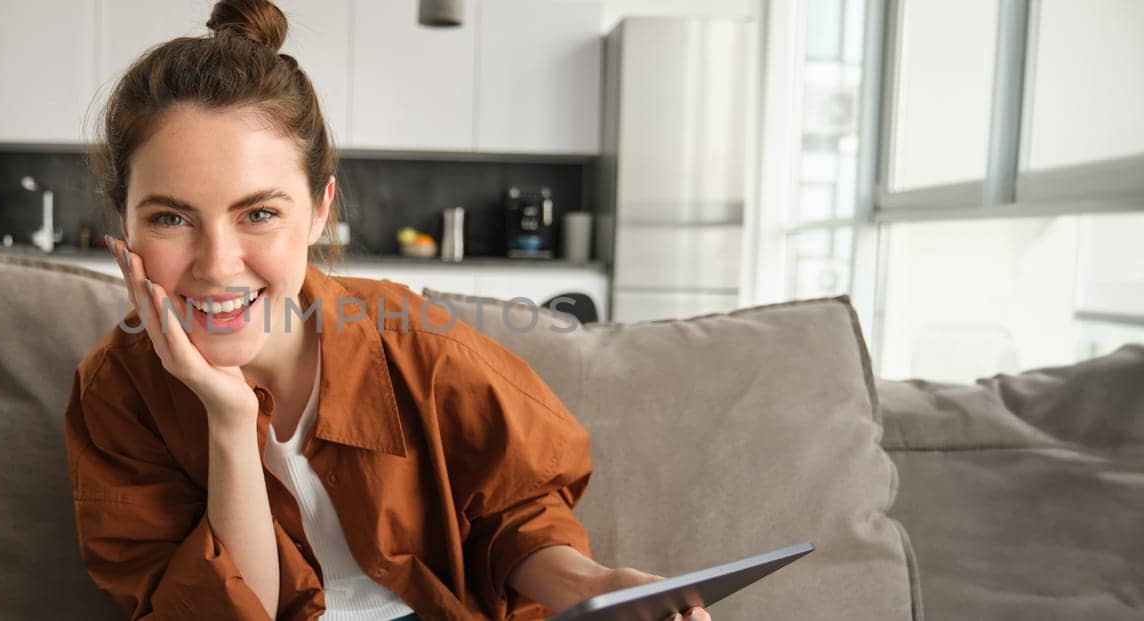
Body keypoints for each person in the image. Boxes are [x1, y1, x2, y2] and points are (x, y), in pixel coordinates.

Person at [63, 1, 711, 619]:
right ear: (124, 222)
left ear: (319, 209)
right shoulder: (116, 395)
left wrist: (594, 587)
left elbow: (513, 513)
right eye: (171, 217)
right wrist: (229, 420)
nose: (217, 262)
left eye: (258, 212)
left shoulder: (411, 340)